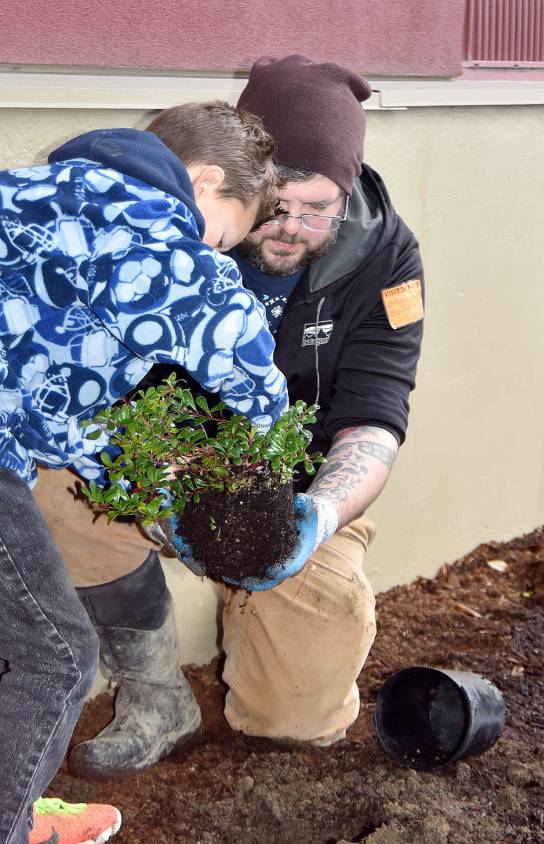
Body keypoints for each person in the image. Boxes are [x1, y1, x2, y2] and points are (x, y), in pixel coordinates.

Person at [33, 53, 425, 775]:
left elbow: (375, 418)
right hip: (164, 457)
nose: (292, 228)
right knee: (62, 494)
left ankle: (264, 634)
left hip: (299, 486)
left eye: (320, 210)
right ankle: (156, 697)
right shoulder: (179, 229)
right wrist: (160, 483)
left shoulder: (385, 259)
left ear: (349, 192)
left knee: (294, 719)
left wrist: (316, 518)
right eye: (279, 205)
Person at [0, 101, 288, 844]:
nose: (214, 252)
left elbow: (44, 401)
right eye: (222, 233)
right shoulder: (135, 211)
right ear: (201, 183)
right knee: (54, 657)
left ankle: (10, 810)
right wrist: (264, 444)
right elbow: (223, 331)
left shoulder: (44, 198)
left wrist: (154, 490)